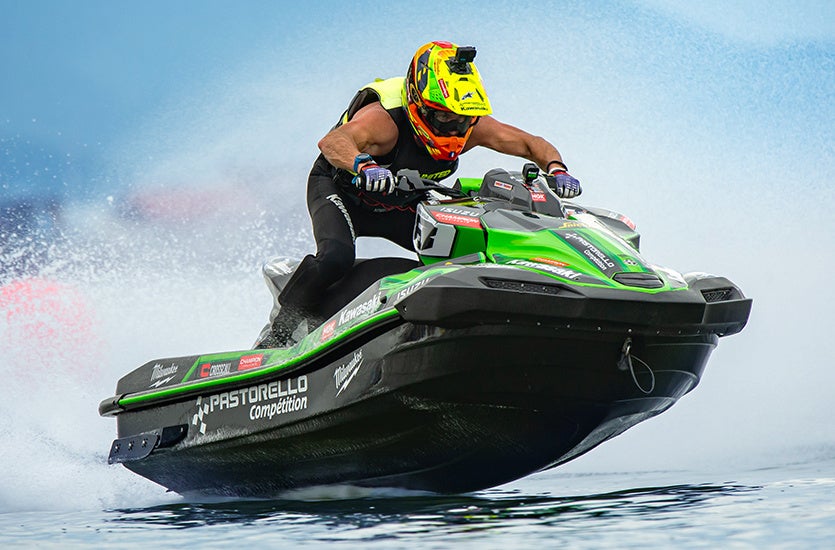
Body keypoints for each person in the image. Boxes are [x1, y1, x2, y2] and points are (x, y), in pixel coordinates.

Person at [260, 40, 581, 347]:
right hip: (341, 191)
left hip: (398, 204)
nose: (454, 128)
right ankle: (277, 334)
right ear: (418, 105)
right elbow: (331, 143)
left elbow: (530, 144)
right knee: (335, 257)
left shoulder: (473, 128)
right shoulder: (384, 122)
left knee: (462, 253)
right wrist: (364, 166)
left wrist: (557, 169)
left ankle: (454, 326)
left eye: (462, 119)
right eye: (443, 117)